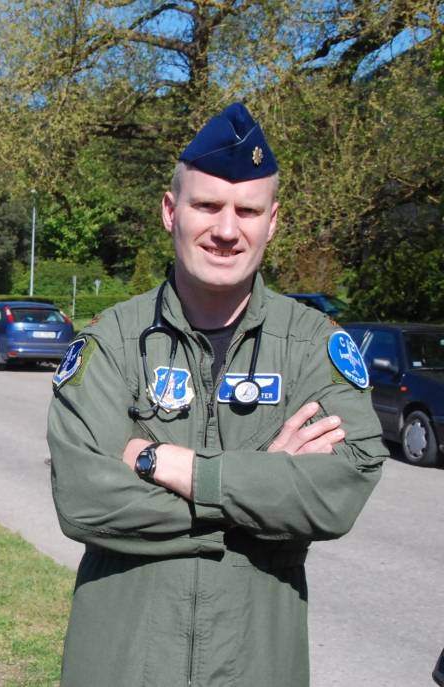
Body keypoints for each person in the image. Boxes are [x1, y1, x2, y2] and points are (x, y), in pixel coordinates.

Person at [48, 102, 386, 686]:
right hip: (123, 665)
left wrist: (171, 465)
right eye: (207, 205)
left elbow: (338, 493)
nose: (227, 230)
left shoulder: (312, 346)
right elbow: (85, 501)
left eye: (247, 211)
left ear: (272, 221)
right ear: (169, 211)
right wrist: (263, 484)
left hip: (257, 665)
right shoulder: (111, 343)